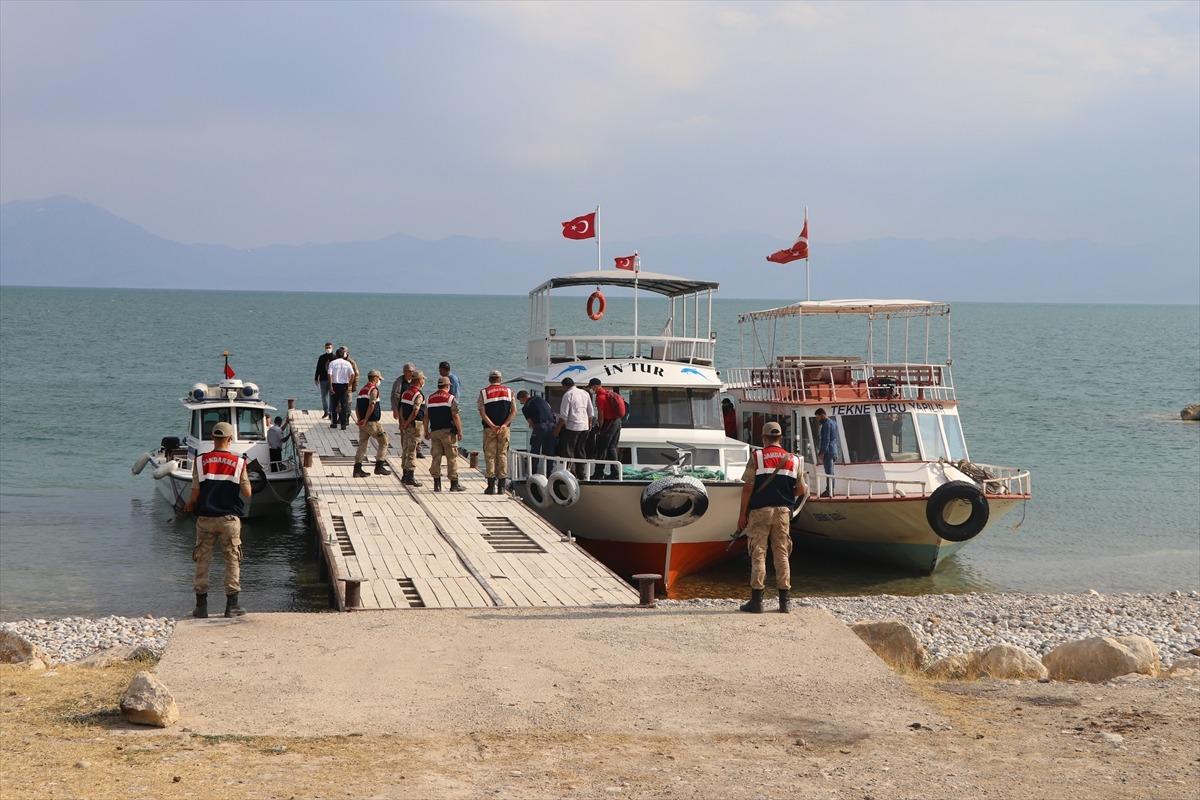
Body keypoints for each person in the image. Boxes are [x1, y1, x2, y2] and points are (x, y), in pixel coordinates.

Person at [182, 421, 253, 619]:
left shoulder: (200, 461)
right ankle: (232, 607)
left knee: (202, 560)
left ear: (213, 438)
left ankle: (201, 607)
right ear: (230, 439)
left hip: (205, 518)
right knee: (232, 559)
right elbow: (247, 493)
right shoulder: (239, 462)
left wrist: (189, 505)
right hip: (229, 520)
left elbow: (195, 494)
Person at [736, 421, 805, 614]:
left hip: (760, 512)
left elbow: (748, 486)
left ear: (764, 438)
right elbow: (801, 489)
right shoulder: (794, 459)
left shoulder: (757, 456)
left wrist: (742, 514)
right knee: (782, 553)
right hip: (783, 512)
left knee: (758, 552)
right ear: (780, 438)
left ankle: (757, 601)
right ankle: (785, 602)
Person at [477, 369, 516, 494]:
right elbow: (514, 412)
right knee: (502, 455)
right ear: (500, 379)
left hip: (489, 429)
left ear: (490, 379)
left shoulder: (484, 393)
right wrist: (504, 425)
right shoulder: (509, 392)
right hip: (505, 429)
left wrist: (492, 425)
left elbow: (482, 413)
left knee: (490, 456)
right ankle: (501, 487)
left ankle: (490, 487)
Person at [425, 375, 465, 492]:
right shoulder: (450, 398)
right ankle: (454, 484)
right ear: (447, 386)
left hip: (435, 432)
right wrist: (460, 431)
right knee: (451, 458)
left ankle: (437, 484)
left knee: (436, 457)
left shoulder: (430, 398)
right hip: (448, 433)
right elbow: (455, 416)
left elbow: (426, 416)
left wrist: (426, 431)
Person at [353, 369, 391, 478]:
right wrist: (366, 419)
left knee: (362, 445)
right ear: (374, 378)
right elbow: (372, 405)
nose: (379, 381)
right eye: (379, 379)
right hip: (372, 422)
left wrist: (360, 420)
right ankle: (379, 466)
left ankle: (357, 470)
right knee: (384, 441)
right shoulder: (373, 390)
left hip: (363, 424)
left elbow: (356, 407)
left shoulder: (362, 390)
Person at [553, 377, 593, 478]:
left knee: (568, 451)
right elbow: (590, 411)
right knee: (581, 450)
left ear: (565, 386)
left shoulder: (568, 395)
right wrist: (590, 424)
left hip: (572, 427)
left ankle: (570, 473)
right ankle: (581, 473)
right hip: (584, 426)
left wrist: (557, 430)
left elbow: (564, 416)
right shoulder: (585, 393)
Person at [588, 378, 625, 480]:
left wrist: (600, 427)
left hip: (609, 423)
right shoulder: (608, 393)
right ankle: (615, 473)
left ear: (595, 386)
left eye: (591, 387)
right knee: (612, 447)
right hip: (617, 422)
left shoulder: (600, 397)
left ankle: (599, 473)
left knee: (602, 448)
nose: (591, 389)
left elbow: (601, 414)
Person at [396, 370, 426, 486]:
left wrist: (403, 422)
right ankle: (410, 476)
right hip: (415, 425)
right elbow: (415, 411)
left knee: (405, 449)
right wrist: (408, 422)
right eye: (423, 379)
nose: (424, 381)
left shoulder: (405, 393)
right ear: (419, 380)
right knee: (412, 450)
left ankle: (404, 475)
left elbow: (401, 408)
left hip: (406, 425)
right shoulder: (418, 394)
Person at [517, 390, 556, 475]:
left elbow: (531, 423)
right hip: (552, 427)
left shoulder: (526, 407)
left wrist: (535, 430)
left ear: (522, 398)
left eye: (521, 402)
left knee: (535, 450)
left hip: (540, 426)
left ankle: (533, 472)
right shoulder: (541, 399)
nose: (522, 403)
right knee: (549, 451)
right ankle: (549, 473)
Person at [326, 347, 354, 430]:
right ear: (343, 355)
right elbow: (353, 375)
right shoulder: (348, 363)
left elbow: (329, 374)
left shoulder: (332, 363)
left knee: (334, 405)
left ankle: (334, 423)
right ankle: (343, 424)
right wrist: (349, 385)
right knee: (344, 405)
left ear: (336, 355)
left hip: (335, 385)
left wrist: (330, 386)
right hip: (344, 386)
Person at [814, 408, 839, 497]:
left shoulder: (826, 425)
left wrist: (821, 453)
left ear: (822, 415)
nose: (818, 419)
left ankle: (829, 491)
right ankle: (831, 490)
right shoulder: (834, 423)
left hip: (828, 452)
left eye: (818, 417)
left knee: (829, 472)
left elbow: (826, 440)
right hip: (834, 450)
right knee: (831, 472)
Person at [314, 342, 334, 419]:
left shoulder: (335, 357)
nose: (328, 349)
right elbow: (318, 368)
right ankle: (326, 411)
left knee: (332, 397)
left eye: (329, 347)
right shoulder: (321, 357)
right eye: (327, 347)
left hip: (332, 380)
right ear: (324, 348)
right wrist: (316, 378)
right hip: (323, 379)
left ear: (332, 348)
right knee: (323, 396)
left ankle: (331, 412)